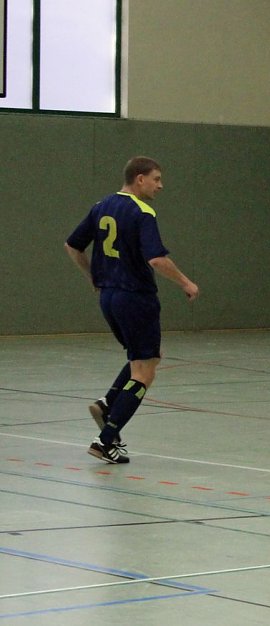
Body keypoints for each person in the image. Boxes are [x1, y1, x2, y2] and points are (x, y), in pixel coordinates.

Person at [64, 156, 199, 463]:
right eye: (156, 179)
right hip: (135, 298)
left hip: (109, 298)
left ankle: (107, 405)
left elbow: (72, 245)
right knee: (144, 373)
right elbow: (156, 259)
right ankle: (104, 440)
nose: (160, 186)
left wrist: (93, 277)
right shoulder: (142, 212)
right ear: (140, 179)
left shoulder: (102, 206)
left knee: (148, 356)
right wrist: (186, 282)